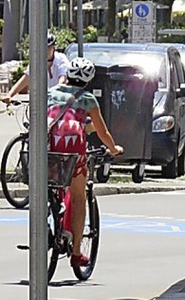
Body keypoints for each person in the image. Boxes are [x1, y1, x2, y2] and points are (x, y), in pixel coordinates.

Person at [47, 56, 123, 269]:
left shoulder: (50, 93)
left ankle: (46, 219)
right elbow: (102, 131)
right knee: (79, 196)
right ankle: (77, 252)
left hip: (48, 150)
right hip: (74, 153)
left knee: (48, 185)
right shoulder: (88, 99)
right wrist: (114, 148)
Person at [2, 32, 69, 102]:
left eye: (48, 48)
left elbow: (62, 79)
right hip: (43, 101)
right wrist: (9, 95)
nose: (46, 51)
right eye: (43, 48)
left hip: (59, 99)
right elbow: (25, 79)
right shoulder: (36, 61)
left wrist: (56, 91)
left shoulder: (61, 59)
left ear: (54, 48)